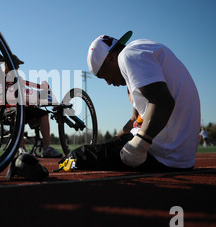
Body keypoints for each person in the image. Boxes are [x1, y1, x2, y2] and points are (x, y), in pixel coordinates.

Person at [63, 30, 200, 172]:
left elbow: (163, 103)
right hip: (179, 156)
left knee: (78, 157)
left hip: (163, 154)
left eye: (104, 75)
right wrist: (109, 145)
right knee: (95, 151)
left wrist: (140, 144)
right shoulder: (142, 51)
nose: (109, 82)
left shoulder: (128, 55)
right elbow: (136, 119)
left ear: (110, 58)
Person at [7, 55, 62, 158]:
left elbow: (26, 93)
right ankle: (20, 147)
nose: (18, 67)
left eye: (18, 65)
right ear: (7, 65)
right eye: (16, 65)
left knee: (43, 113)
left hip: (23, 105)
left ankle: (47, 148)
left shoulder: (19, 78)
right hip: (7, 107)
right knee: (21, 111)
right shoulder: (0, 77)